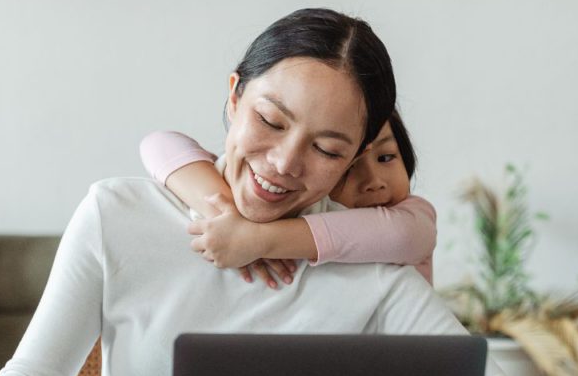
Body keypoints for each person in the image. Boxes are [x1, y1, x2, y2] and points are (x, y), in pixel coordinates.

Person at [0, 8, 536, 376]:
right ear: (232, 98)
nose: (284, 163)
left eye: (328, 148)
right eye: (270, 121)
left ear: (355, 159)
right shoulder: (119, 216)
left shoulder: (369, 264)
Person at [139, 109, 436, 287]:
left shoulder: (412, 216)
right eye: (349, 167)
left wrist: (257, 238)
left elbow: (402, 236)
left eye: (387, 157)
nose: (374, 182)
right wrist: (226, 215)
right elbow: (159, 143)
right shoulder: (303, 208)